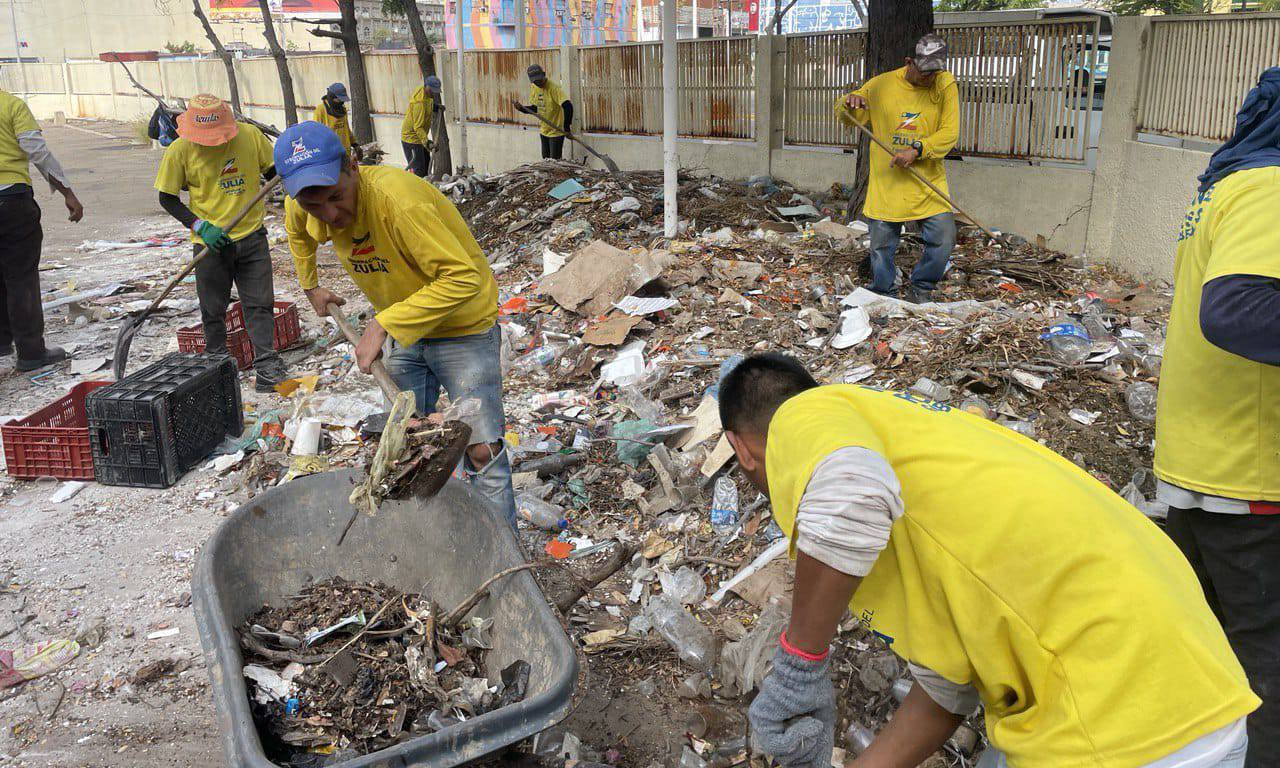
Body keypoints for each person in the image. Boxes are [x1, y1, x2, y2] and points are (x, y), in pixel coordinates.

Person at [721, 353, 1258, 768]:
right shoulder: (916, 444)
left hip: (1114, 719)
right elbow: (948, 688)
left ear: (741, 448)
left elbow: (852, 494)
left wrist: (799, 666)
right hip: (1197, 705)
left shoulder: (804, 414)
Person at [276, 121, 515, 524]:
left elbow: (464, 278)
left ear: (353, 166)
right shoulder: (303, 203)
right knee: (406, 447)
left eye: (336, 197)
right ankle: (427, 536)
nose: (331, 215)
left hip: (463, 328)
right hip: (407, 331)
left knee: (480, 449)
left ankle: (504, 550)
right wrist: (311, 286)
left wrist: (384, 323)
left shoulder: (399, 202)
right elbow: (298, 232)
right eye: (315, 206)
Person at [1155, 67, 1280, 768]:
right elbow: (1238, 310)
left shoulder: (1230, 183)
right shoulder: (1273, 187)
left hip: (1202, 461)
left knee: (1204, 653)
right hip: (1251, 472)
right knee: (1266, 664)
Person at [154, 93, 288, 392]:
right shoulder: (180, 149)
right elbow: (167, 197)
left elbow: (272, 172)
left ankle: (267, 366)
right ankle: (217, 366)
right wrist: (199, 225)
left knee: (260, 304)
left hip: (252, 236)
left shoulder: (250, 137)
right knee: (212, 310)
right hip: (210, 245)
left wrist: (285, 178)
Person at [834, 33, 959, 304]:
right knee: (881, 247)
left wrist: (917, 150)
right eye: (924, 72)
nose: (929, 78)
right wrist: (849, 102)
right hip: (888, 183)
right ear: (909, 62)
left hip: (927, 182)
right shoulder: (881, 85)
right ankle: (884, 291)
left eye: (934, 73)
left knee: (944, 239)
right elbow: (846, 116)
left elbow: (950, 132)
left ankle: (921, 288)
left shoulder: (944, 83)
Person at [0, 89, 83, 371]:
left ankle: (2, 342)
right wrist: (67, 192)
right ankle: (31, 352)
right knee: (21, 277)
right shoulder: (11, 105)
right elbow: (37, 151)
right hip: (11, 199)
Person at [515, 64, 572, 160]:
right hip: (544, 131)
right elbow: (535, 109)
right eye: (535, 81)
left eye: (539, 80)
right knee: (545, 161)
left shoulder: (554, 89)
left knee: (554, 162)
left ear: (544, 74)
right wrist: (521, 108)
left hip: (556, 132)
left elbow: (568, 106)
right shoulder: (534, 87)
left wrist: (566, 128)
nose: (538, 83)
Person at [401, 76, 441, 177]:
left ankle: (425, 185)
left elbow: (427, 103)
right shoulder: (419, 103)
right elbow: (418, 127)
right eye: (432, 91)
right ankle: (416, 186)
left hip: (419, 138)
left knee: (427, 164)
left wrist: (435, 107)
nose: (434, 93)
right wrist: (427, 143)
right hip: (411, 139)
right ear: (427, 86)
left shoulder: (425, 93)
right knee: (419, 171)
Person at [313, 82, 354, 151]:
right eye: (339, 100)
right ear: (332, 97)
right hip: (330, 152)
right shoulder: (320, 110)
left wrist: (354, 143)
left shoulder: (342, 110)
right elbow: (315, 134)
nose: (341, 102)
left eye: (342, 100)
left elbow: (346, 129)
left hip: (345, 151)